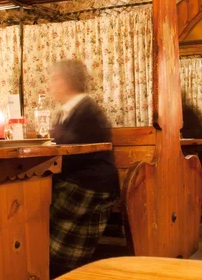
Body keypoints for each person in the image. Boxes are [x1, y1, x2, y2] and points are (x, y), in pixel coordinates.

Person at [48, 59, 120, 278]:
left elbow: (72, 153)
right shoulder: (71, 110)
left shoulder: (86, 111)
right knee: (31, 199)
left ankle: (54, 264)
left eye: (54, 79)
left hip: (90, 186)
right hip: (82, 181)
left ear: (66, 82)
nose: (50, 85)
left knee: (33, 205)